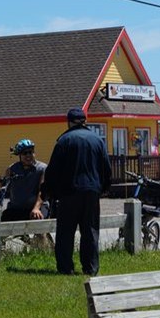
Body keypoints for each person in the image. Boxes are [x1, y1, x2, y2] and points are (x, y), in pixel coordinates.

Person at [43, 108, 112, 275]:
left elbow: (53, 170)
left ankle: (66, 268)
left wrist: (49, 191)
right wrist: (103, 188)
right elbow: (106, 168)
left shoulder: (64, 140)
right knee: (90, 230)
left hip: (69, 192)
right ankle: (90, 268)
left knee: (66, 231)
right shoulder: (98, 140)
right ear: (85, 120)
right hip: (92, 191)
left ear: (69, 121)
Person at [0, 138, 49, 222]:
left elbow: (43, 190)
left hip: (37, 207)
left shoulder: (42, 168)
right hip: (16, 208)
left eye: (31, 152)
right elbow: (4, 188)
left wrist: (36, 208)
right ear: (19, 155)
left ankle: (42, 235)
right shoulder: (12, 169)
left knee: (37, 219)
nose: (28, 155)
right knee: (3, 221)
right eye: (25, 153)